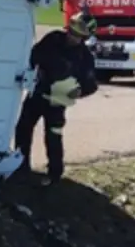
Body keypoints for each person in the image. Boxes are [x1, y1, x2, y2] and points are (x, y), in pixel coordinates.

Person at [13, 10, 100, 186]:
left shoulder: (85, 58)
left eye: (78, 33)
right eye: (72, 29)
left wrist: (77, 92)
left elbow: (91, 85)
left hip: (57, 102)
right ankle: (20, 167)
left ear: (85, 36)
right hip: (37, 94)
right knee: (23, 128)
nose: (72, 36)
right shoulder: (53, 39)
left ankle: (54, 174)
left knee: (53, 136)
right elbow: (33, 55)